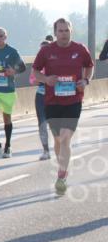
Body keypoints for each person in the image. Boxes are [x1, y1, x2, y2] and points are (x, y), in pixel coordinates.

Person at [31, 18, 95, 196]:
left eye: (66, 30)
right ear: (55, 32)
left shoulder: (80, 49)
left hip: (74, 100)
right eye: (60, 31)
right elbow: (35, 71)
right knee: (58, 139)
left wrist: (86, 80)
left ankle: (61, 175)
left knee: (66, 138)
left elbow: (89, 66)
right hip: (52, 102)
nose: (64, 34)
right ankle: (63, 168)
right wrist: (46, 79)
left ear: (71, 31)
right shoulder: (46, 51)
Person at [0, 27, 27, 159]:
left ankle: (8, 146)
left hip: (7, 90)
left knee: (7, 117)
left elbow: (23, 67)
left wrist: (14, 71)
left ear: (5, 37)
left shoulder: (12, 52)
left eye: (1, 36)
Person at [31, 38, 53, 160]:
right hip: (41, 96)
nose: (43, 51)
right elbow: (32, 80)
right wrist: (45, 80)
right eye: (41, 49)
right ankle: (46, 151)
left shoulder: (57, 62)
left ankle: (61, 146)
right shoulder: (37, 64)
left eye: (45, 49)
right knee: (42, 123)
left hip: (55, 96)